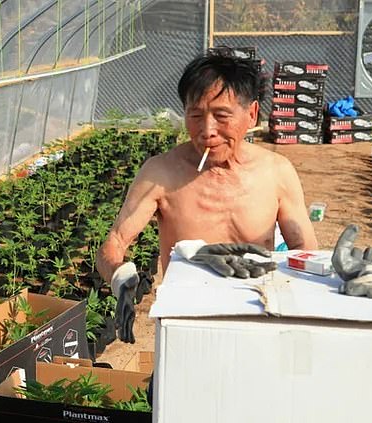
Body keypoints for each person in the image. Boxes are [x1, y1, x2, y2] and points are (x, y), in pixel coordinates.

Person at [97, 50, 319, 344]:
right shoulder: (161, 173)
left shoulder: (276, 172)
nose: (207, 131)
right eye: (196, 115)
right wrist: (119, 277)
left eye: (221, 116)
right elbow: (113, 245)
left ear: (252, 114)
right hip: (187, 324)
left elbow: (305, 249)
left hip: (259, 319)